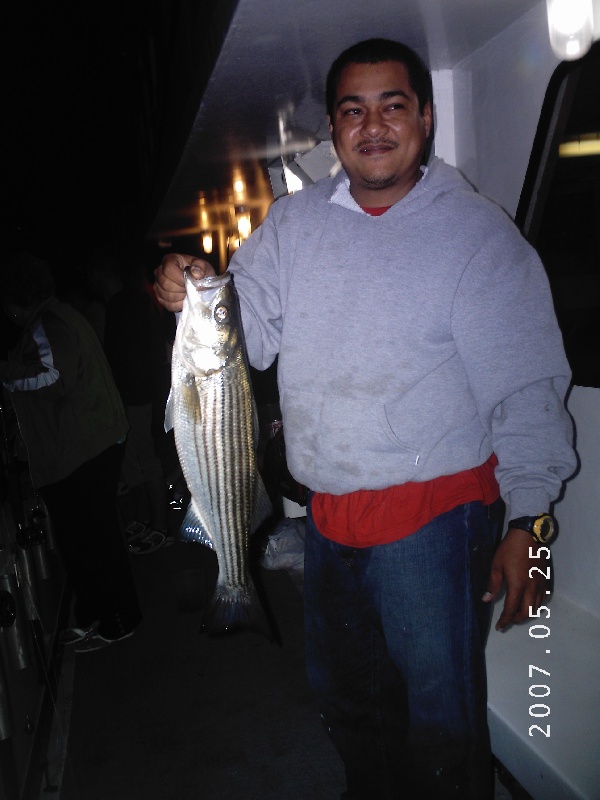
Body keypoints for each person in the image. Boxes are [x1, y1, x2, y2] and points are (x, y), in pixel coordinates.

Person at [153, 39, 576, 800]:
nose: (372, 124)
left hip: (434, 523)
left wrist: (530, 529)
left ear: (427, 117)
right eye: (353, 109)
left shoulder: (480, 237)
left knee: (440, 727)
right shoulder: (292, 225)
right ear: (334, 125)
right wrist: (194, 284)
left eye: (392, 105)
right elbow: (246, 330)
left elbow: (529, 391)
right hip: (331, 521)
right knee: (352, 712)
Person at [0, 252, 142, 652]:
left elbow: (52, 375)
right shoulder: (62, 317)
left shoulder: (48, 324)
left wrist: (7, 375)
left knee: (88, 542)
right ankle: (108, 617)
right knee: (96, 538)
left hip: (80, 450)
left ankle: (112, 620)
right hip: (90, 443)